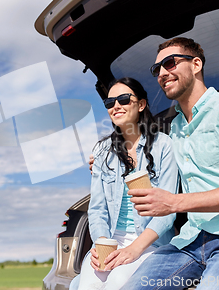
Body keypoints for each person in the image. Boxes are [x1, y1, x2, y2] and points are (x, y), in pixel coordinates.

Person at [116, 37, 219, 290]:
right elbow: (151, 158)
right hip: (190, 240)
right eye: (156, 69)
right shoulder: (176, 128)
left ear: (196, 65)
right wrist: (110, 158)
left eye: (169, 63)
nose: (162, 73)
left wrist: (173, 203)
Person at [73, 77, 179, 290]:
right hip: (111, 242)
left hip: (150, 244)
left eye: (123, 99)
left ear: (141, 105)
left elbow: (167, 213)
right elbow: (97, 210)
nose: (116, 106)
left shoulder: (164, 146)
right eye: (110, 103)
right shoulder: (102, 151)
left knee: (118, 281)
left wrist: (134, 249)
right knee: (86, 286)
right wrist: (101, 244)